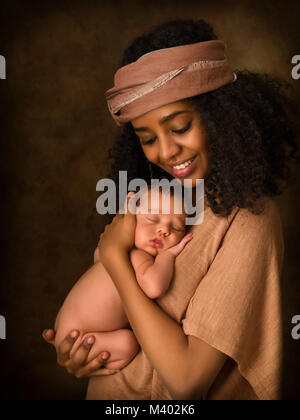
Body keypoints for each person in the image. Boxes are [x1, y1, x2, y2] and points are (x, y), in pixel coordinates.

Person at [43, 19, 299, 400]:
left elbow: (186, 381)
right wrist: (84, 347)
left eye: (179, 127)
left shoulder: (249, 220)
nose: (165, 152)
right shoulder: (158, 202)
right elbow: (121, 314)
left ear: (221, 116)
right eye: (147, 138)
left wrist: (114, 257)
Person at [54, 186, 193, 371]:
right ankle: (110, 366)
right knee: (128, 344)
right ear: (130, 217)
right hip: (79, 338)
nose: (163, 230)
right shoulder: (136, 256)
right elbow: (154, 287)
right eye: (152, 218)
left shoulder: (104, 252)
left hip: (67, 329)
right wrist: (167, 256)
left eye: (176, 228)